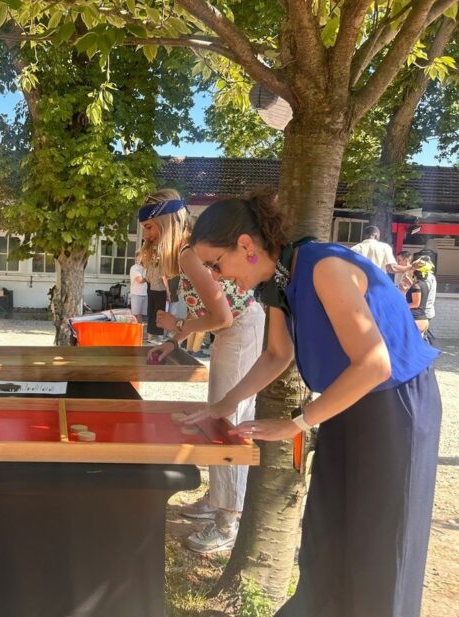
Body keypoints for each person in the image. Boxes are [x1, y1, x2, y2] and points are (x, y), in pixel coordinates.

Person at [186, 192, 441, 617]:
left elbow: (375, 365)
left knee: (381, 546)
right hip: (345, 401)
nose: (217, 276)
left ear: (246, 246)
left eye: (216, 264)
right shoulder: (277, 283)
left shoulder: (323, 266)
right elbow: (275, 355)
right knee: (328, 533)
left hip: (396, 407)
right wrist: (222, 406)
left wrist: (297, 423)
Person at [143, 189, 265, 554]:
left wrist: (180, 323)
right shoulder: (188, 254)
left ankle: (229, 519)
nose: (147, 235)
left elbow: (221, 316)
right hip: (233, 332)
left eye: (150, 226)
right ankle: (217, 500)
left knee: (228, 421)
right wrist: (173, 340)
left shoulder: (189, 256)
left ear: (166, 223)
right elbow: (211, 317)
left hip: (241, 332)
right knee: (221, 417)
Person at [406, 267, 431, 334]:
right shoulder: (425, 284)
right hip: (422, 318)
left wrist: (402, 306)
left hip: (415, 319)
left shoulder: (416, 286)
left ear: (414, 273)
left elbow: (415, 304)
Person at [129, 253, 148, 323]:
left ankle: (139, 332)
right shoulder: (134, 268)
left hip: (144, 294)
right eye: (142, 256)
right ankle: (135, 332)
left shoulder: (145, 268)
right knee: (136, 315)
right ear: (137, 258)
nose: (144, 258)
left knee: (141, 315)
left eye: (145, 256)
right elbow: (140, 280)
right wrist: (150, 278)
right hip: (136, 294)